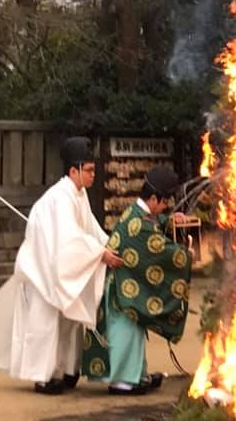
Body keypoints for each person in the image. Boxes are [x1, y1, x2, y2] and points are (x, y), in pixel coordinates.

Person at [0, 137, 122, 394]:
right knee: (46, 325)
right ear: (73, 170)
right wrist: (101, 253)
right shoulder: (59, 198)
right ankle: (43, 377)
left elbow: (90, 228)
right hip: (42, 272)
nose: (92, 175)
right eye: (89, 170)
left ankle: (67, 369)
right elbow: (69, 238)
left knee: (69, 323)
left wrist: (108, 244)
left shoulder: (79, 195)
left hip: (58, 269)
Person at [83, 165, 196, 395]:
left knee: (132, 335)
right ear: (153, 198)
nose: (166, 207)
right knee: (124, 334)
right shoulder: (139, 224)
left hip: (125, 285)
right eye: (165, 202)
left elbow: (157, 224)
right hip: (122, 291)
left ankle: (135, 376)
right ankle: (121, 381)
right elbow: (160, 249)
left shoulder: (138, 214)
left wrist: (171, 220)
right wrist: (186, 255)